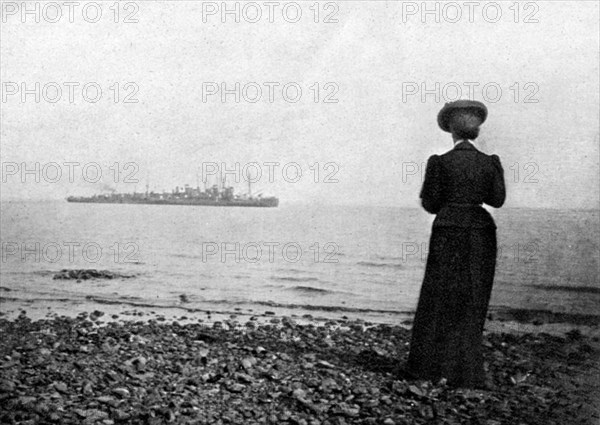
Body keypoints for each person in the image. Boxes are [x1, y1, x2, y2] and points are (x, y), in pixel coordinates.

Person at [406, 100, 506, 388]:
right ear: (476, 131)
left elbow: (430, 203)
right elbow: (497, 200)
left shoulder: (439, 161)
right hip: (481, 230)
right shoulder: (490, 162)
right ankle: (468, 372)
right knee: (473, 298)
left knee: (438, 296)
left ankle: (425, 368)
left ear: (451, 131)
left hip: (448, 229)